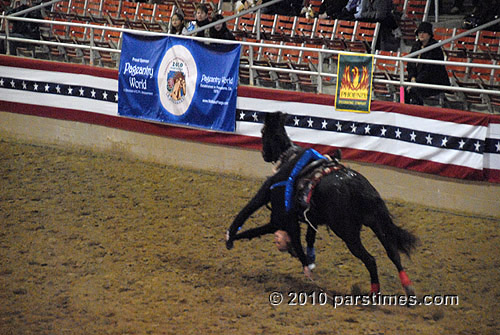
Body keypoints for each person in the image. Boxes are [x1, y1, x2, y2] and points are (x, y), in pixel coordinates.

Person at [405, 22, 450, 105]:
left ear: (429, 34)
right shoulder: (416, 46)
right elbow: (410, 64)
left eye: (424, 32)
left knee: (414, 90)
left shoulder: (434, 48)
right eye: (419, 32)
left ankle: (416, 110)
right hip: (415, 80)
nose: (421, 35)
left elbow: (430, 70)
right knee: (402, 88)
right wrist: (412, 78)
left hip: (432, 81)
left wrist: (415, 82)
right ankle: (401, 107)